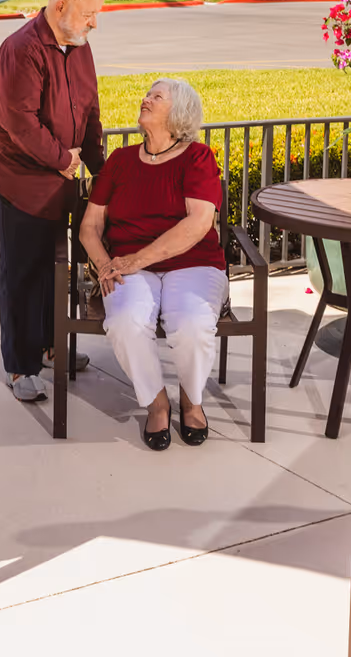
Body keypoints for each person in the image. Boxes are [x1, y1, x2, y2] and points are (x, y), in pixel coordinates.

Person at [0, 0, 106, 402]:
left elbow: (89, 113)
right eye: (89, 13)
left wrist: (101, 170)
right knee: (23, 274)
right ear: (61, 6)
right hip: (17, 183)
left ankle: (53, 347)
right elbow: (20, 124)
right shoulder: (20, 49)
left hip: (58, 184)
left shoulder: (81, 48)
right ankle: (20, 367)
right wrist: (64, 158)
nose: (94, 22)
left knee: (57, 270)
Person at [81, 78, 228, 451]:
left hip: (192, 263)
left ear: (177, 113)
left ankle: (191, 400)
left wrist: (136, 260)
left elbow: (198, 223)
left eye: (156, 96)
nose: (145, 99)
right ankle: (157, 403)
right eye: (148, 94)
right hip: (128, 266)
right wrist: (104, 265)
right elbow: (90, 227)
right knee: (125, 322)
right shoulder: (121, 160)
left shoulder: (198, 157)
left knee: (192, 325)